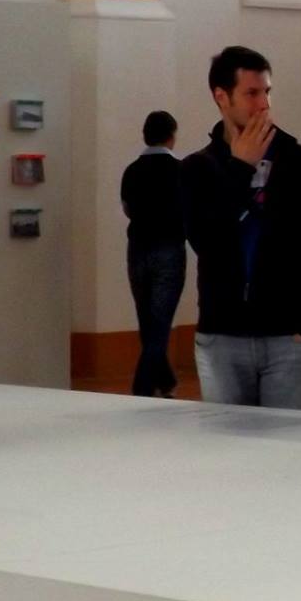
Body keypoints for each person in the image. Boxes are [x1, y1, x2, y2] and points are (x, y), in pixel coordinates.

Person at [180, 46, 301, 409]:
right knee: (227, 441)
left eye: (267, 91)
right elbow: (206, 241)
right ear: (221, 97)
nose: (263, 104)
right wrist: (240, 169)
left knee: (291, 440)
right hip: (222, 338)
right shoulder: (198, 169)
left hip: (289, 338)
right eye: (252, 93)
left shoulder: (300, 163)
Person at [121, 110, 185, 397]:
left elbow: (127, 208)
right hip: (169, 248)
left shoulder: (132, 171)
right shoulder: (181, 170)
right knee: (160, 323)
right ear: (171, 136)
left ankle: (165, 380)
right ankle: (143, 387)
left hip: (137, 249)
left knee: (147, 320)